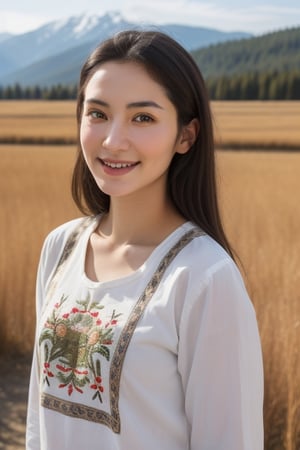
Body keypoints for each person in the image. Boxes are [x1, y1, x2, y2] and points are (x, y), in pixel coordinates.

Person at [26, 30, 264, 450]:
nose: (113, 140)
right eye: (97, 113)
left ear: (186, 136)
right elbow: (37, 421)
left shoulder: (204, 278)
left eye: (143, 118)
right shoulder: (60, 248)